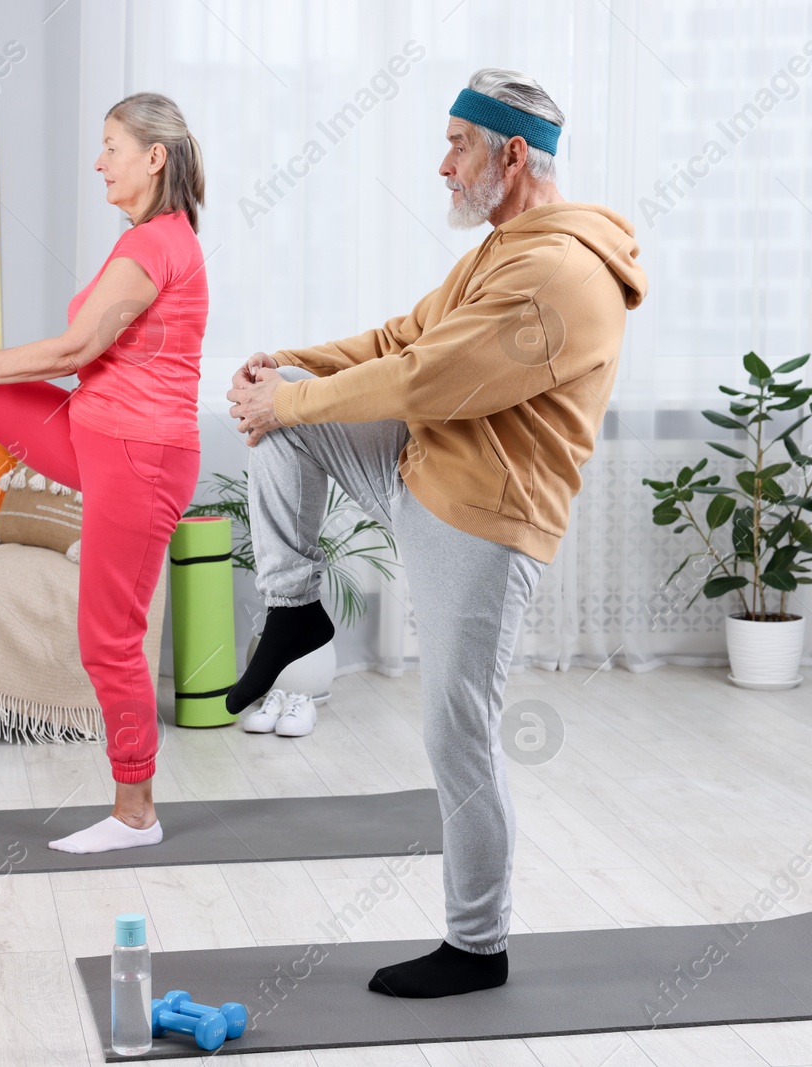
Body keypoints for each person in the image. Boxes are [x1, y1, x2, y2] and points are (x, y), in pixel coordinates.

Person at [226, 68, 647, 998]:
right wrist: (284, 370)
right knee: (278, 412)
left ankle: (477, 944)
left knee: (457, 730)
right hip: (422, 474)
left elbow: (424, 381)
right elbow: (397, 340)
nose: (440, 164)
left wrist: (288, 392)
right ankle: (294, 610)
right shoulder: (503, 246)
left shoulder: (558, 273)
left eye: (457, 144)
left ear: (510, 153)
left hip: (481, 523)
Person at [0, 92, 208, 855]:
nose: (99, 161)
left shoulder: (156, 245)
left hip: (140, 455)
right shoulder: (142, 238)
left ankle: (136, 811)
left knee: (108, 637)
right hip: (92, 430)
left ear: (153, 158)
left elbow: (76, 349)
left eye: (111, 146)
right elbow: (86, 362)